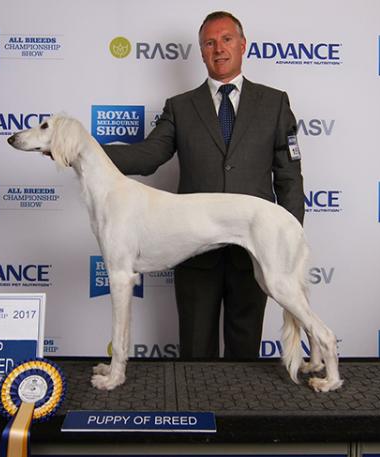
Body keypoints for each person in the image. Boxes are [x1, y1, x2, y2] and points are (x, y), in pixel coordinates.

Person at [102, 11, 304, 359]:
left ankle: (243, 411)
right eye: (209, 42)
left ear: (243, 45)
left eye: (227, 39)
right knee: (195, 355)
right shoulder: (180, 107)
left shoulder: (274, 103)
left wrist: (290, 235)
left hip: (253, 249)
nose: (219, 49)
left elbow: (289, 176)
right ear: (201, 52)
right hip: (194, 251)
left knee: (245, 356)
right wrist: (87, 152)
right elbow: (149, 156)